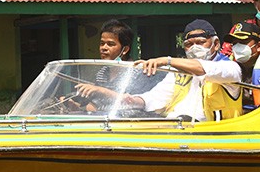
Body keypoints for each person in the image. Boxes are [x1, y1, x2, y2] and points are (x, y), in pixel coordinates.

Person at [79, 19, 242, 122]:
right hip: (176, 128)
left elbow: (204, 69)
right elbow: (153, 98)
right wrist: (128, 100)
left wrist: (166, 60)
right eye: (188, 45)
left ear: (215, 44)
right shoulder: (178, 74)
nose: (194, 48)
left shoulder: (230, 68)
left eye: (200, 42)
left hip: (213, 134)